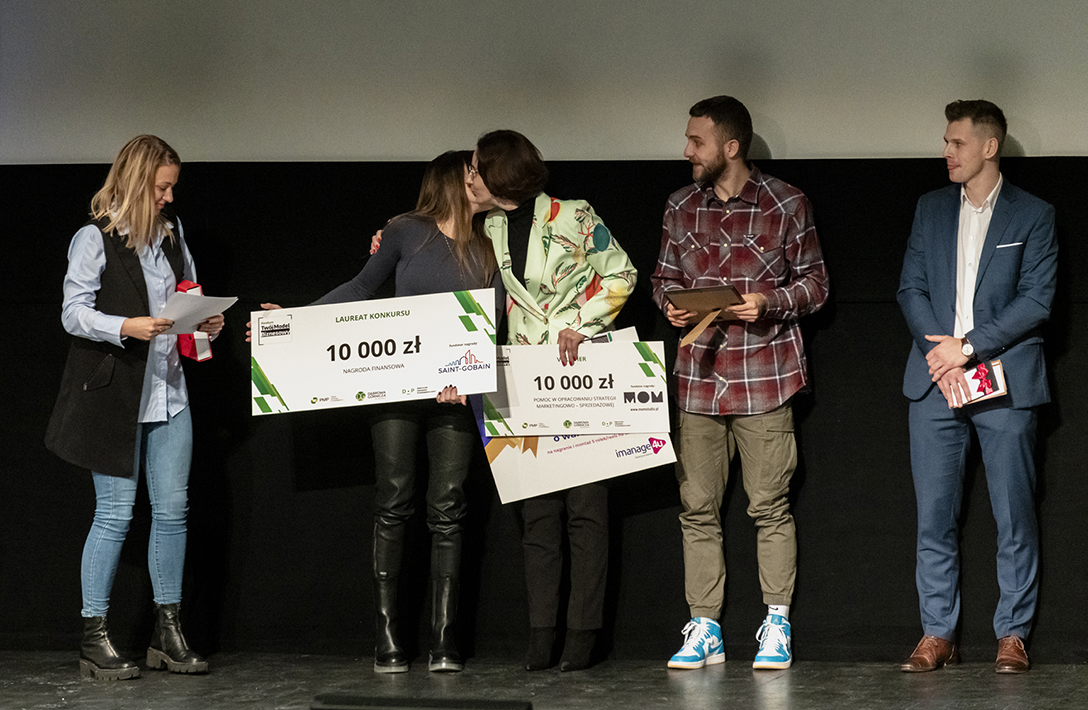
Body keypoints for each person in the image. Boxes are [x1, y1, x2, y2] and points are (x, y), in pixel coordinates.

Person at [252, 151, 501, 673]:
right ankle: (387, 638)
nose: (481, 182)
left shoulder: (490, 242)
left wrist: (472, 375)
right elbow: (361, 288)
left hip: (455, 394)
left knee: (449, 509)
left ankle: (444, 640)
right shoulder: (406, 231)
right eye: (473, 174)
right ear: (454, 181)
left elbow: (493, 317)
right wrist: (297, 319)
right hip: (396, 386)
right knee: (393, 501)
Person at [652, 96, 829, 670]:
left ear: (730, 147)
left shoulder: (786, 203)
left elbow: (816, 285)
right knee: (696, 508)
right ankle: (705, 627)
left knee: (769, 506)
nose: (686, 150)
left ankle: (776, 624)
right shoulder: (680, 205)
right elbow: (662, 277)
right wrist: (671, 305)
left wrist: (767, 303)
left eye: (696, 141)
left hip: (764, 377)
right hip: (699, 379)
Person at [45, 135, 224, 680]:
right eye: (162, 187)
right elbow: (73, 313)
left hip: (170, 393)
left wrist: (205, 321)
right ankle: (93, 636)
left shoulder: (173, 236)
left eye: (172, 188)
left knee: (172, 512)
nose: (169, 197)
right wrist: (125, 325)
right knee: (115, 514)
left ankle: (167, 633)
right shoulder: (94, 238)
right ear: (137, 181)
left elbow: (186, 302)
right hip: (116, 398)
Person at [897, 100, 1057, 674]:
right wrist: (941, 355)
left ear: (989, 147)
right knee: (934, 517)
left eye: (957, 142)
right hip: (935, 382)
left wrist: (965, 348)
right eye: (946, 141)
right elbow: (911, 289)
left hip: (1004, 380)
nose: (947, 151)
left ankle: (1012, 634)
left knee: (1013, 515)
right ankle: (937, 633)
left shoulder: (1033, 214)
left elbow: (1036, 301)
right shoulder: (930, 208)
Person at [468, 130, 637, 671]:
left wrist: (583, 324)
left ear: (498, 173)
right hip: (524, 381)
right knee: (537, 514)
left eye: (476, 166)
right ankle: (542, 632)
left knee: (586, 510)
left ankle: (583, 634)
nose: (469, 175)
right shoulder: (488, 227)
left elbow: (622, 272)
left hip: (580, 372)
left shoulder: (573, 214)